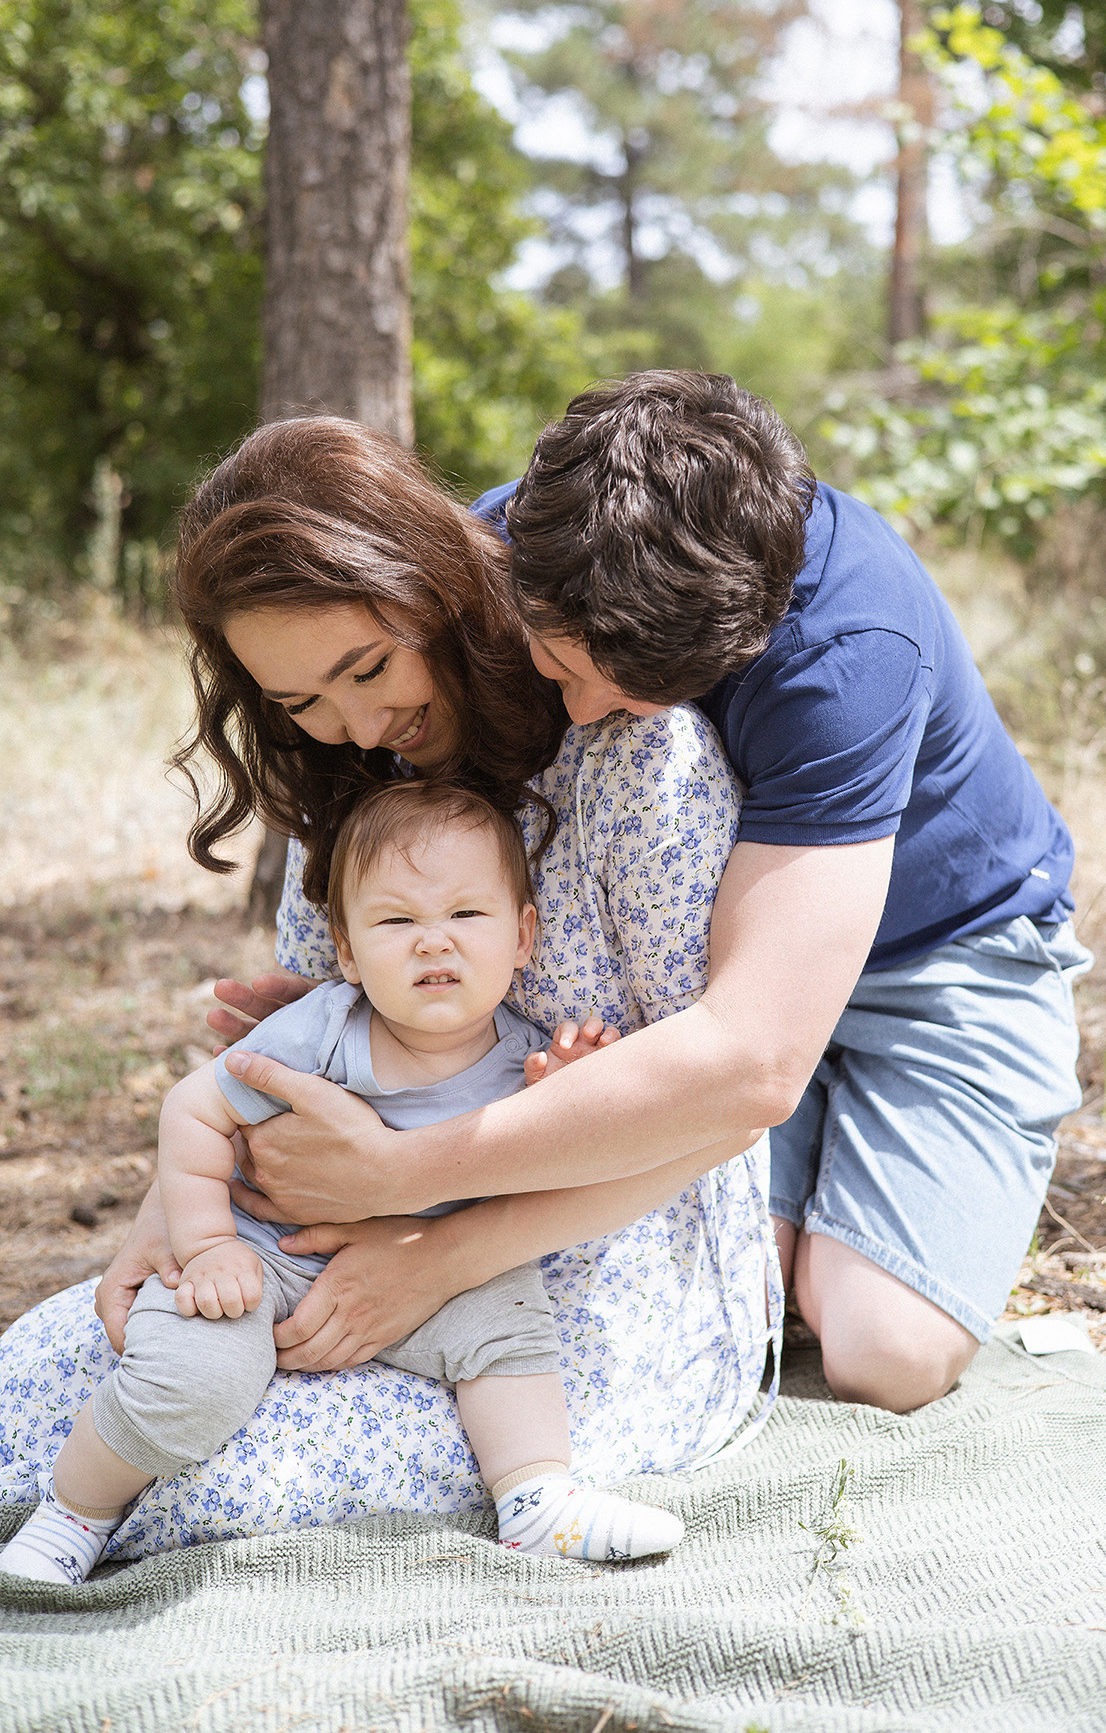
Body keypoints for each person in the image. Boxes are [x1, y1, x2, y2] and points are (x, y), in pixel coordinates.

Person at [0, 416, 774, 1561]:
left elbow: (717, 1102)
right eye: (303, 702)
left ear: (437, 589)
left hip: (572, 1250)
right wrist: (166, 1228)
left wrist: (439, 1251)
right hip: (314, 1239)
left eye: (367, 668)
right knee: (50, 1392)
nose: (358, 726)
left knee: (236, 1480)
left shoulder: (634, 755)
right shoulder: (357, 783)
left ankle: (535, 1499)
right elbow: (280, 1079)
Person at [0, 782, 685, 1583]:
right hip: (269, 1250)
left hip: (424, 1262)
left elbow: (579, 1153)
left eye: (467, 915)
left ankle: (537, 1499)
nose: (435, 943)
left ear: (524, 935)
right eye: (398, 921)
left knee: (509, 1319)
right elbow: (194, 1108)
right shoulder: (322, 1027)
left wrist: (573, 1090)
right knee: (192, 1372)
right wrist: (209, 1242)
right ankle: (73, 1516)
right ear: (349, 950)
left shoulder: (527, 1057)